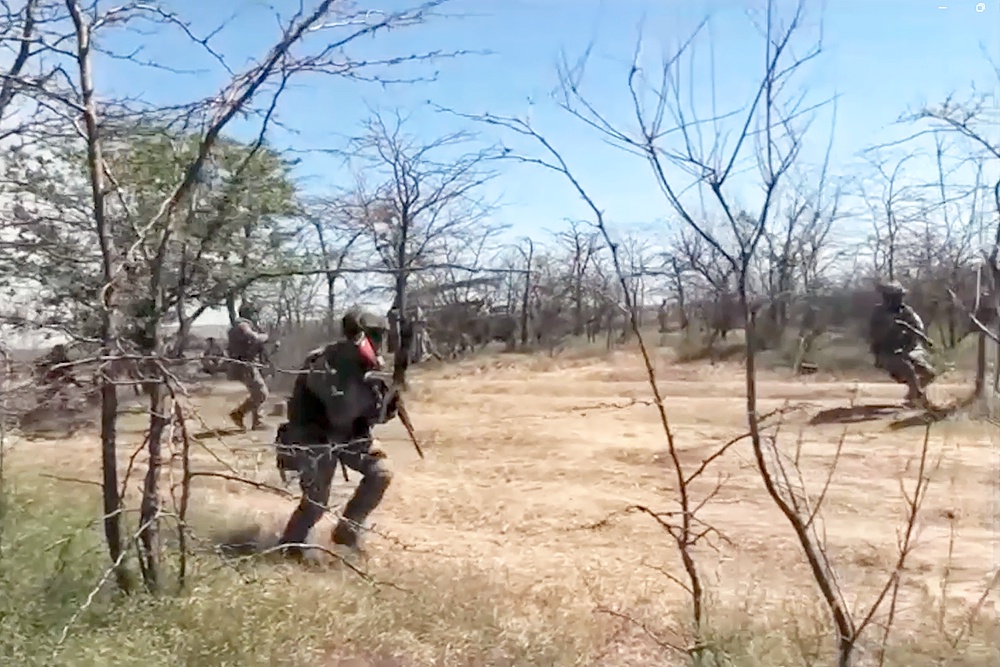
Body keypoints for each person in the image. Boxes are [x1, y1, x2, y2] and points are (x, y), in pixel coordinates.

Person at [275, 307, 396, 555]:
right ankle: (289, 548)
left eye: (381, 336)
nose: (379, 342)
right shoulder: (323, 362)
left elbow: (375, 417)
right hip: (312, 437)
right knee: (315, 504)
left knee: (380, 473)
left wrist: (389, 399)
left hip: (348, 436)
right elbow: (339, 411)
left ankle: (348, 530)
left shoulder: (368, 365)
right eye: (375, 335)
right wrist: (367, 388)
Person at [869, 280, 936, 407]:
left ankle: (913, 392)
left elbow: (917, 327)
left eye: (899, 297)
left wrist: (910, 337)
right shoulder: (879, 313)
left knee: (929, 373)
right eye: (894, 297)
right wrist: (890, 330)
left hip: (908, 350)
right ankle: (918, 398)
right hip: (886, 353)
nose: (898, 300)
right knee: (907, 369)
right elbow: (875, 336)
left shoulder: (906, 311)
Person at [226, 303, 270, 430]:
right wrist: (265, 337)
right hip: (245, 365)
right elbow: (255, 338)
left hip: (248, 363)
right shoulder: (242, 325)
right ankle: (238, 413)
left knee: (257, 392)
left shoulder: (240, 325)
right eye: (254, 313)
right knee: (261, 394)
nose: (256, 315)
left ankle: (258, 421)